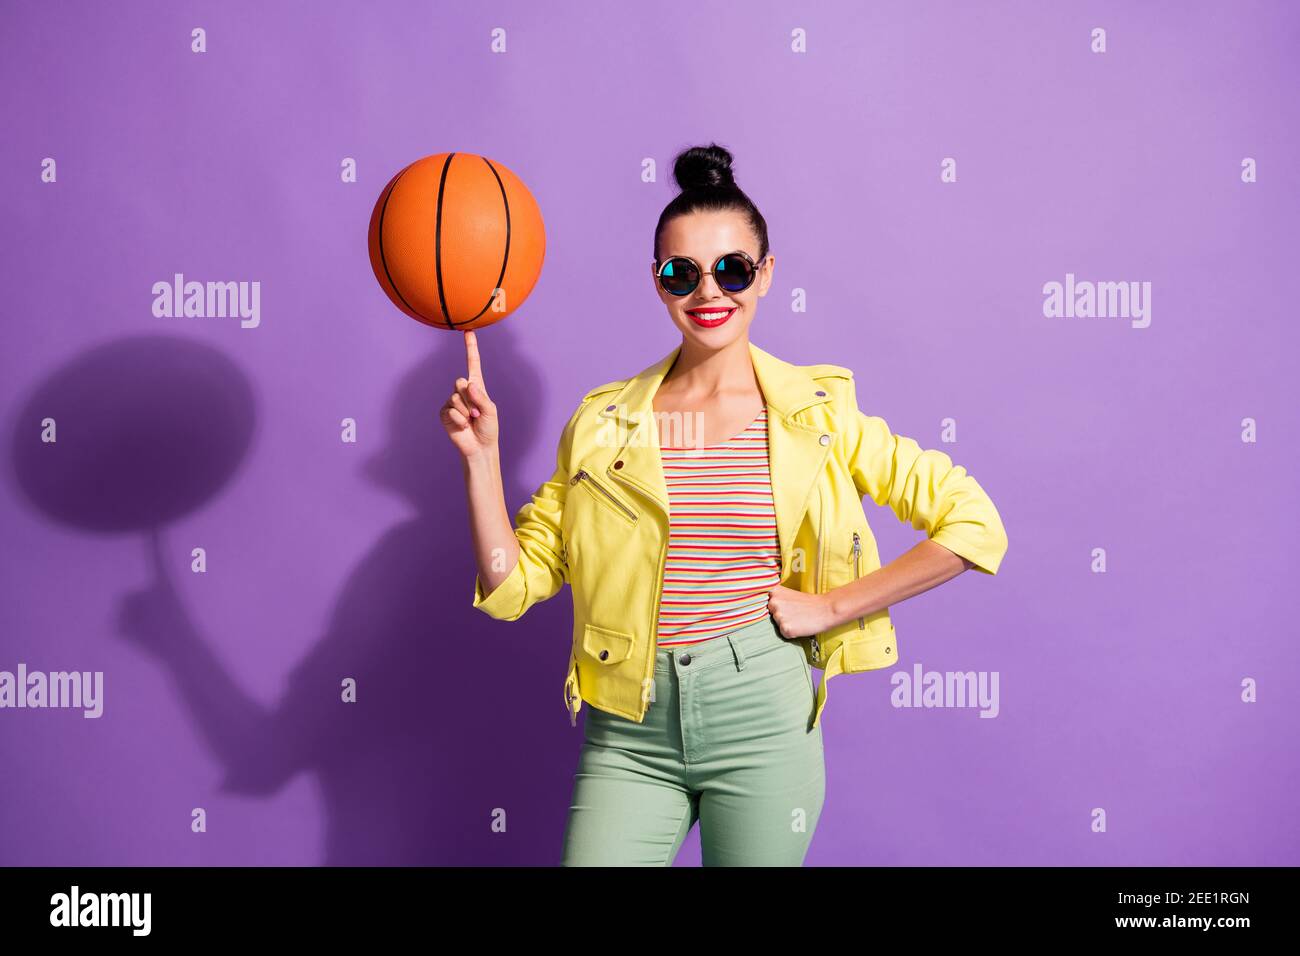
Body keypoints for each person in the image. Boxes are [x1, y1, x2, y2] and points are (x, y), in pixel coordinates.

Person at [443, 143, 1008, 866]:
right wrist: (482, 460)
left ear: (766, 274)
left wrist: (832, 608)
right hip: (629, 726)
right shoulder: (604, 422)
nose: (709, 292)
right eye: (682, 273)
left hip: (761, 718)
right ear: (657, 282)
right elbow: (511, 585)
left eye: (733, 269)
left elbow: (975, 525)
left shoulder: (817, 414)